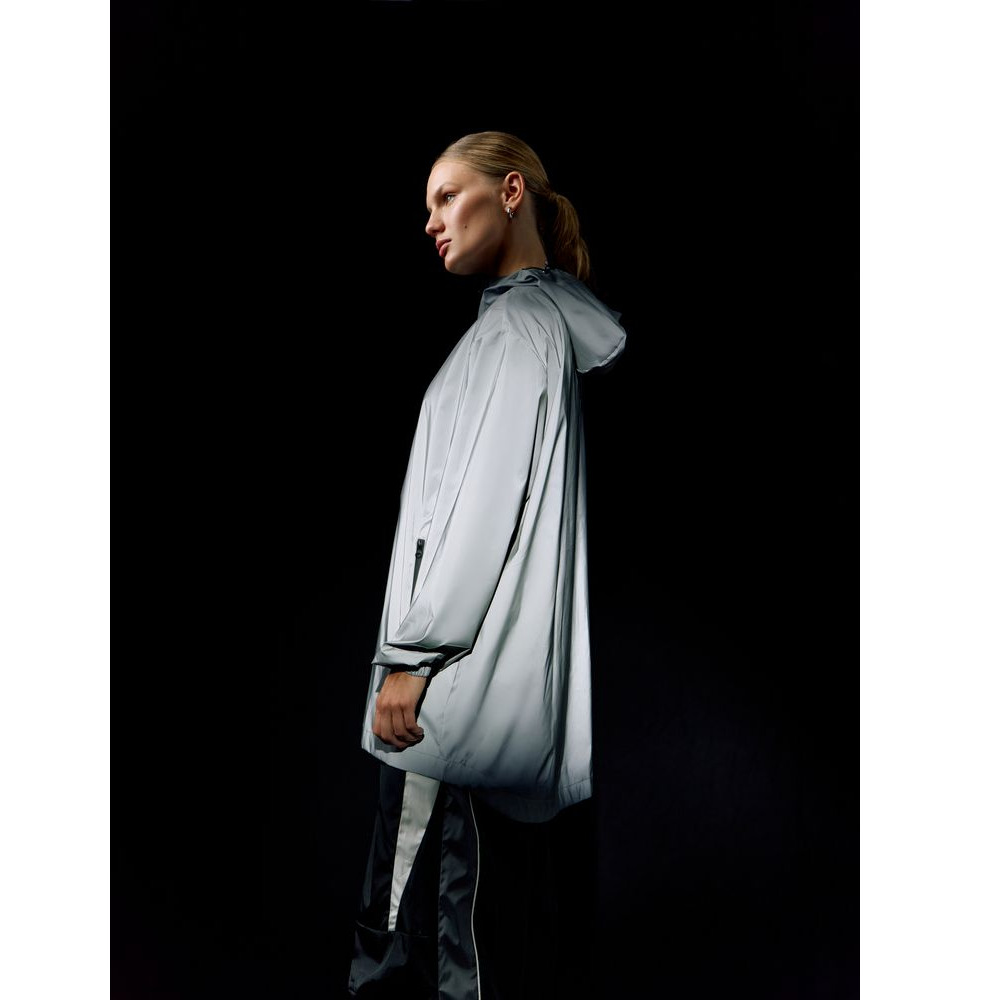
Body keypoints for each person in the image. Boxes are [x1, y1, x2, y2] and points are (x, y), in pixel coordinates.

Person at [347, 131, 627, 1000]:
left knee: (422, 927)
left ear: (510, 193)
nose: (431, 221)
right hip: (482, 692)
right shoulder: (530, 327)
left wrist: (412, 657)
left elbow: (477, 519)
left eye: (447, 196)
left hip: (449, 696)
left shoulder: (514, 333)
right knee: (473, 917)